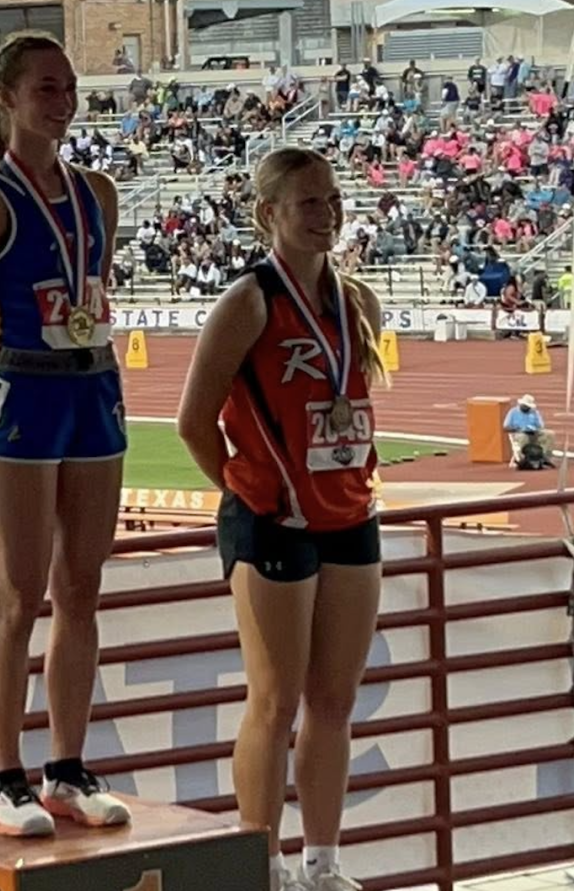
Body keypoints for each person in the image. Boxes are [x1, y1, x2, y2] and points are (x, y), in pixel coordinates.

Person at [0, 30, 131, 838]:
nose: (64, 101)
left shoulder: (99, 193)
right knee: (19, 593)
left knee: (81, 587)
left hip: (94, 387)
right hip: (23, 393)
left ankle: (68, 767)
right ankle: (2, 775)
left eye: (69, 86)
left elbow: (89, 291)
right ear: (7, 98)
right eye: (46, 88)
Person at [175, 148, 386, 891]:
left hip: (349, 515)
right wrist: (250, 492)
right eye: (309, 202)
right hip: (273, 522)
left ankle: (322, 864)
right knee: (274, 702)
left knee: (334, 702)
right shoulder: (247, 303)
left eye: (333, 199)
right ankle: (260, 867)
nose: (327, 214)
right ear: (269, 214)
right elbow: (194, 421)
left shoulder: (356, 302)